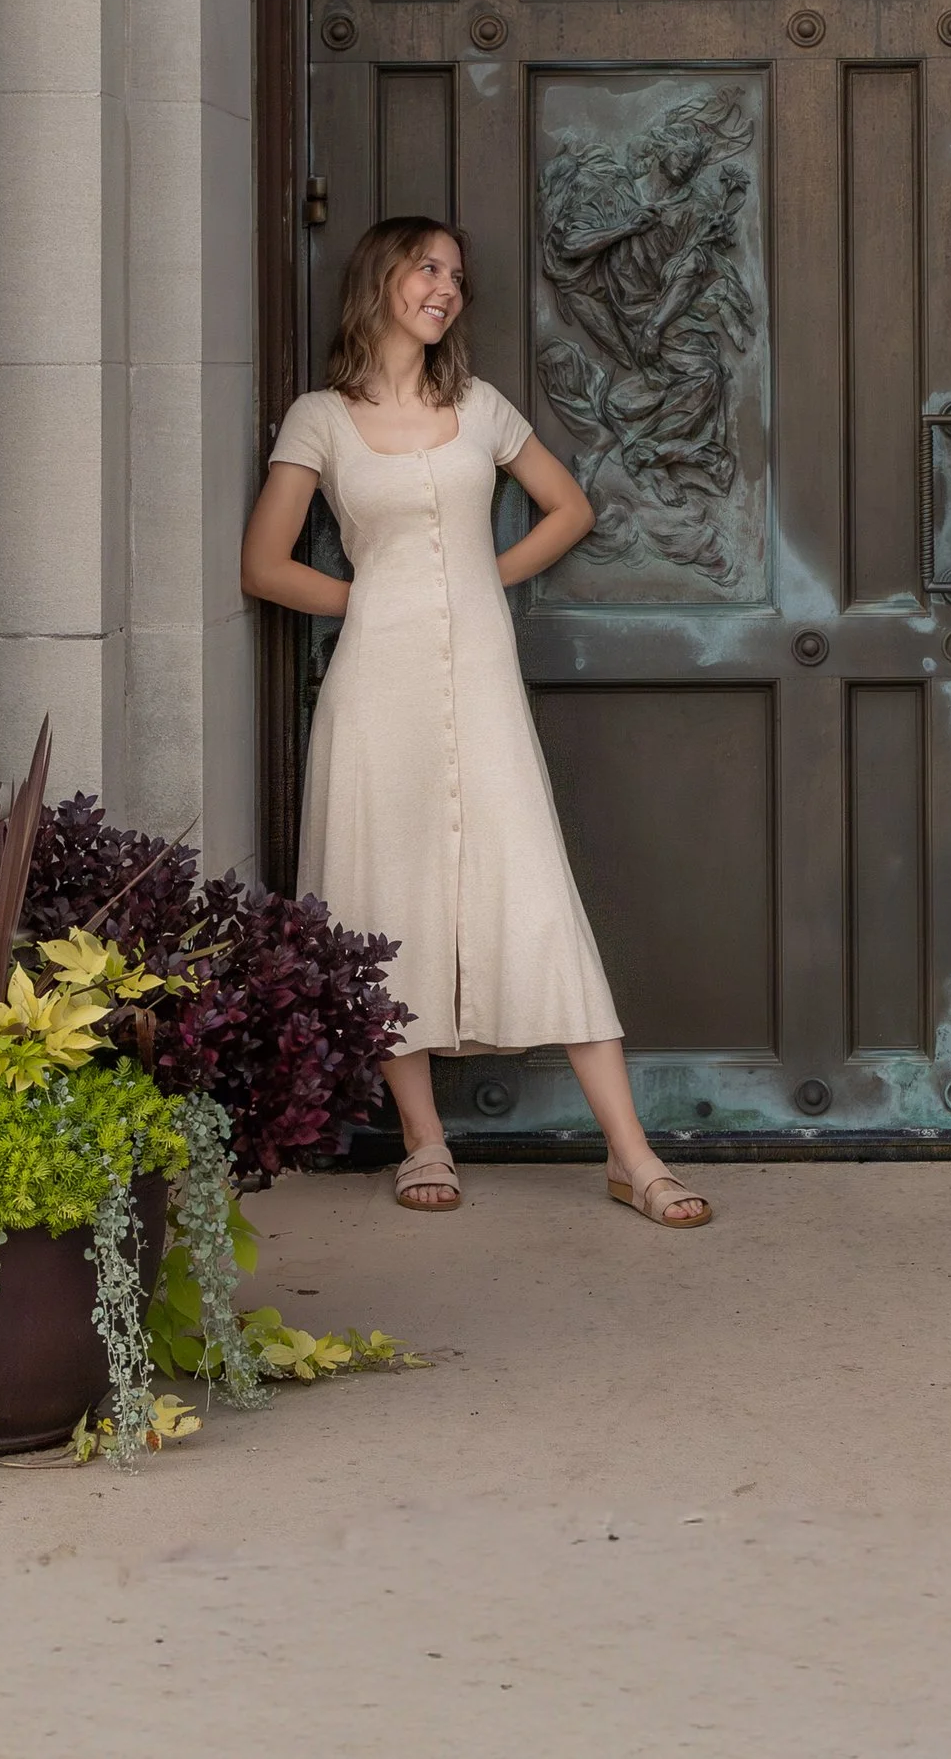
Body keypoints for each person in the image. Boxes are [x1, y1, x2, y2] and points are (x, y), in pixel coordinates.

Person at [242, 217, 711, 1225]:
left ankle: (630, 1155)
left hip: (483, 682)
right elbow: (265, 564)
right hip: (375, 692)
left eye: (457, 274)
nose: (446, 288)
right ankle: (423, 1142)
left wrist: (477, 584)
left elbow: (568, 509)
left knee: (535, 890)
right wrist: (374, 599)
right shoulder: (319, 418)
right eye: (428, 268)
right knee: (384, 892)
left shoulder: (480, 406)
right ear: (381, 279)